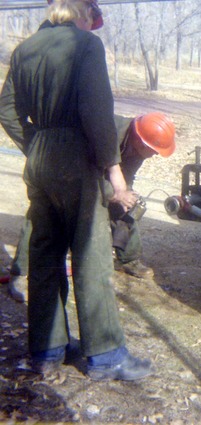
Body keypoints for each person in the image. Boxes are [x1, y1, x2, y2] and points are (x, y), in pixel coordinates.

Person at [0, 0, 152, 380]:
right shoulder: (85, 45)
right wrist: (115, 176)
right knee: (91, 254)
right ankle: (105, 356)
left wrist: (35, 142)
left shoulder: (25, 48)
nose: (91, 25)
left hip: (39, 159)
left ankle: (46, 348)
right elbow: (97, 113)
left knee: (45, 251)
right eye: (91, 18)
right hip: (76, 159)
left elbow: (6, 110)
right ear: (82, 12)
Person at [7, 112, 176, 303]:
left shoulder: (139, 145)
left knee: (127, 204)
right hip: (63, 163)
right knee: (43, 214)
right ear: (140, 140)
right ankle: (21, 273)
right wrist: (112, 193)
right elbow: (87, 171)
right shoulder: (105, 133)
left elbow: (125, 175)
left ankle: (128, 258)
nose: (155, 155)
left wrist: (125, 195)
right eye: (154, 150)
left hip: (91, 169)